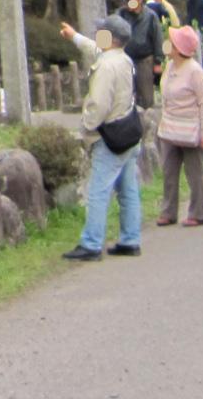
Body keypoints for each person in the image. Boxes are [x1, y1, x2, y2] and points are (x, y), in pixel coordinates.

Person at [58, 14, 143, 260]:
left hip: (110, 136)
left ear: (111, 37)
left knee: (98, 191)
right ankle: (130, 239)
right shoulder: (123, 59)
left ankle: (91, 243)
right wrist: (74, 37)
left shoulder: (106, 66)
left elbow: (98, 103)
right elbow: (95, 50)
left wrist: (86, 128)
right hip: (128, 132)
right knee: (128, 190)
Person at [156, 26, 203, 227]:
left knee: (195, 173)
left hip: (190, 128)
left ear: (179, 47)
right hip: (170, 127)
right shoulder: (170, 67)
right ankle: (168, 211)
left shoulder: (194, 70)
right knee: (169, 171)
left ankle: (199, 212)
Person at [121, 0, 163, 107]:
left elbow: (158, 39)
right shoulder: (122, 15)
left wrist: (158, 62)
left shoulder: (150, 16)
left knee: (146, 97)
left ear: (139, 0)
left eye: (130, 0)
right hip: (126, 59)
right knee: (126, 95)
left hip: (145, 60)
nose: (127, 3)